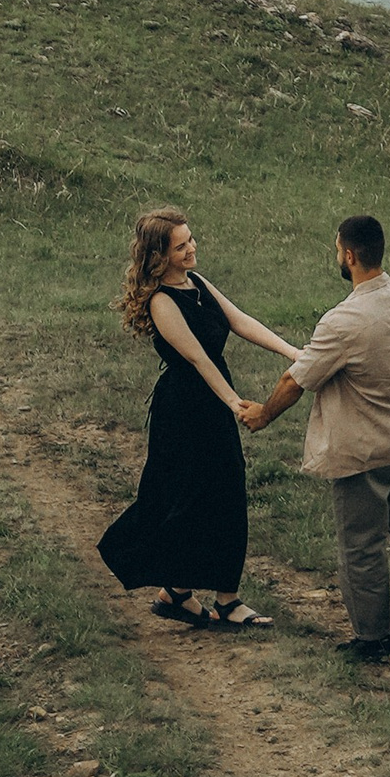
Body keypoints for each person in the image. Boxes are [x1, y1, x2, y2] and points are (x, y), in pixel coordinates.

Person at [241, 210, 390, 661]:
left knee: (361, 544)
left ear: (348, 255)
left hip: (364, 449)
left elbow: (294, 382)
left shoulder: (343, 321)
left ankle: (373, 637)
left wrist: (263, 415)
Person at [98, 204, 297, 629]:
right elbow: (198, 359)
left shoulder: (198, 284)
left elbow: (240, 321)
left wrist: (294, 353)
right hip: (185, 409)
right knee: (186, 495)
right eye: (181, 245)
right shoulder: (161, 302)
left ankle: (190, 594)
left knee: (222, 489)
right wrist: (233, 402)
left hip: (210, 401)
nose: (191, 248)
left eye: (191, 239)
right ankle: (203, 596)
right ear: (160, 256)